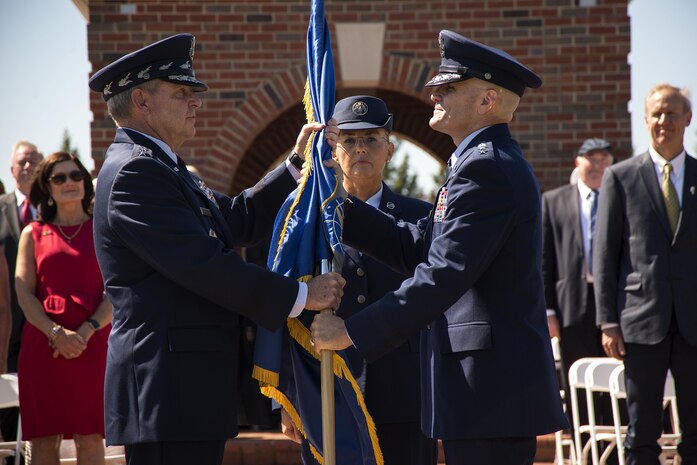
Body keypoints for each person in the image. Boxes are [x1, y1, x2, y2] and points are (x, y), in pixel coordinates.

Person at [311, 31, 568, 465]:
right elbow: (418, 248)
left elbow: (441, 275)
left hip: (490, 391)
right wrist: (337, 203)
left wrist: (351, 331)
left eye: (449, 87)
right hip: (482, 393)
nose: (434, 92)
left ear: (487, 101)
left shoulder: (486, 168)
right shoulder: (477, 163)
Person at [87, 33, 345, 465]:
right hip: (165, 393)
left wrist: (297, 165)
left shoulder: (160, 166)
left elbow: (236, 219)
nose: (196, 102)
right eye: (182, 92)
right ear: (142, 102)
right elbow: (205, 265)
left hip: (183, 391)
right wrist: (301, 296)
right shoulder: (137, 173)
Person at [281, 96, 437, 465]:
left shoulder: (423, 217)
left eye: (372, 139)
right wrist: (288, 397)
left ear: (390, 150)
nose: (360, 148)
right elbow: (284, 308)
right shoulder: (306, 223)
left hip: (404, 393)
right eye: (349, 140)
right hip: (328, 391)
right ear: (333, 151)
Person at [594, 83, 697, 465]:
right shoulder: (621, 177)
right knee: (642, 433)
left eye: (671, 113)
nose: (663, 121)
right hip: (640, 322)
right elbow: (605, 254)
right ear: (646, 120)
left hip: (693, 323)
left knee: (696, 431)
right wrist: (607, 321)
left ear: (687, 118)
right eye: (656, 113)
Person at [13, 151, 111, 464]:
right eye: (60, 178)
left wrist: (84, 332)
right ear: (49, 188)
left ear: (85, 182)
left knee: (91, 438)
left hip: (93, 346)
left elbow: (117, 291)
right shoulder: (33, 233)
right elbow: (23, 292)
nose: (69, 182)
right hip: (44, 347)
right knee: (43, 441)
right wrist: (57, 333)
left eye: (76, 175)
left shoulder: (104, 230)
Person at [542, 138, 614, 420]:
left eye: (603, 159)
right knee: (578, 379)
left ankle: (613, 446)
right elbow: (544, 260)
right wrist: (548, 311)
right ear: (578, 162)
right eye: (590, 159)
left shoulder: (620, 196)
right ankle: (583, 445)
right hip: (571, 305)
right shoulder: (554, 201)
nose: (597, 165)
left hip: (613, 307)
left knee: (613, 379)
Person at [0, 140, 43, 459]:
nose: (27, 167)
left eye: (33, 161)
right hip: (8, 326)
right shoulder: (0, 207)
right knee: (9, 414)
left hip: (49, 324)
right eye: (21, 162)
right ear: (12, 170)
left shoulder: (56, 205)